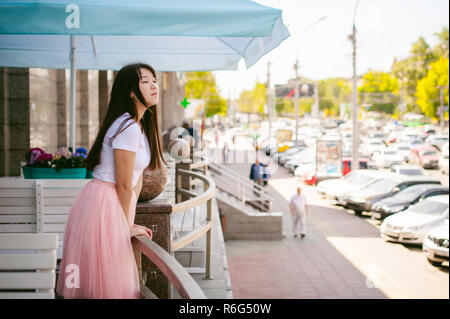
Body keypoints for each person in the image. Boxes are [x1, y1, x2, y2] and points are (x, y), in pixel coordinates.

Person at [56, 63, 167, 299]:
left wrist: (128, 221)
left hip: (104, 202)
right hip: (105, 204)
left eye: (154, 80)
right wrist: (124, 225)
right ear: (130, 91)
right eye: (145, 81)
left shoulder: (134, 125)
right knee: (106, 283)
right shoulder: (128, 127)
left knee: (101, 281)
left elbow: (134, 182)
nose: (153, 85)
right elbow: (124, 184)